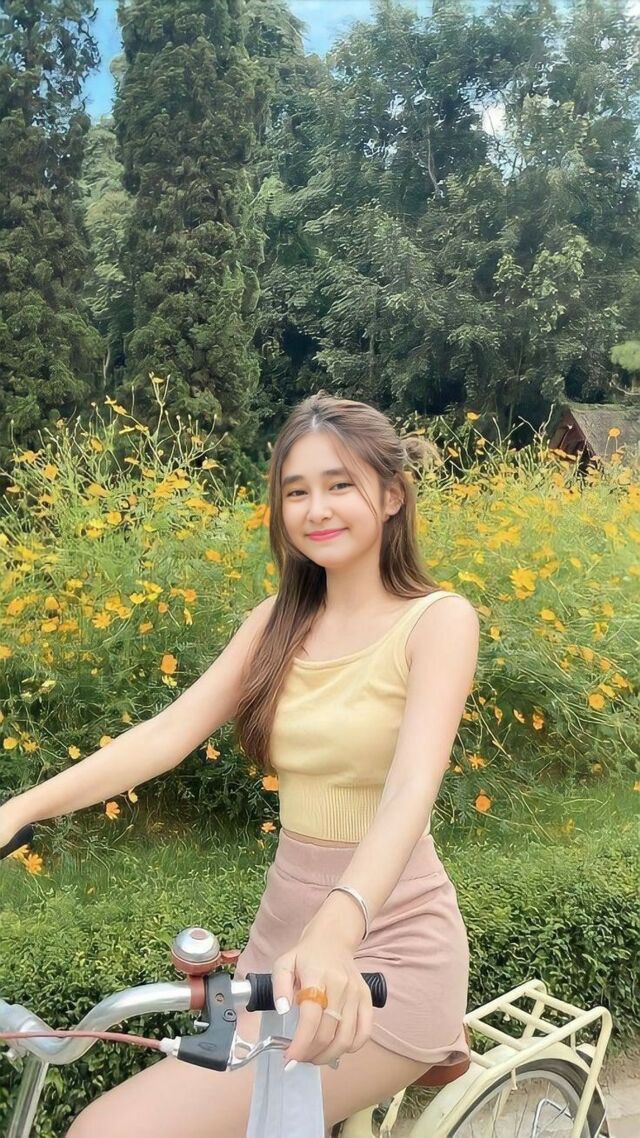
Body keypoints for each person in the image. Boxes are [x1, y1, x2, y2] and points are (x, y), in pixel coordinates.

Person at [0, 391, 480, 1138]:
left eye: (340, 484)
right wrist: (20, 808)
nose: (316, 509)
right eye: (296, 491)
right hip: (280, 948)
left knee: (107, 1131)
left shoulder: (437, 622)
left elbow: (410, 789)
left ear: (391, 495)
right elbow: (166, 734)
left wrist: (337, 930)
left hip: (381, 961)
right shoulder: (278, 622)